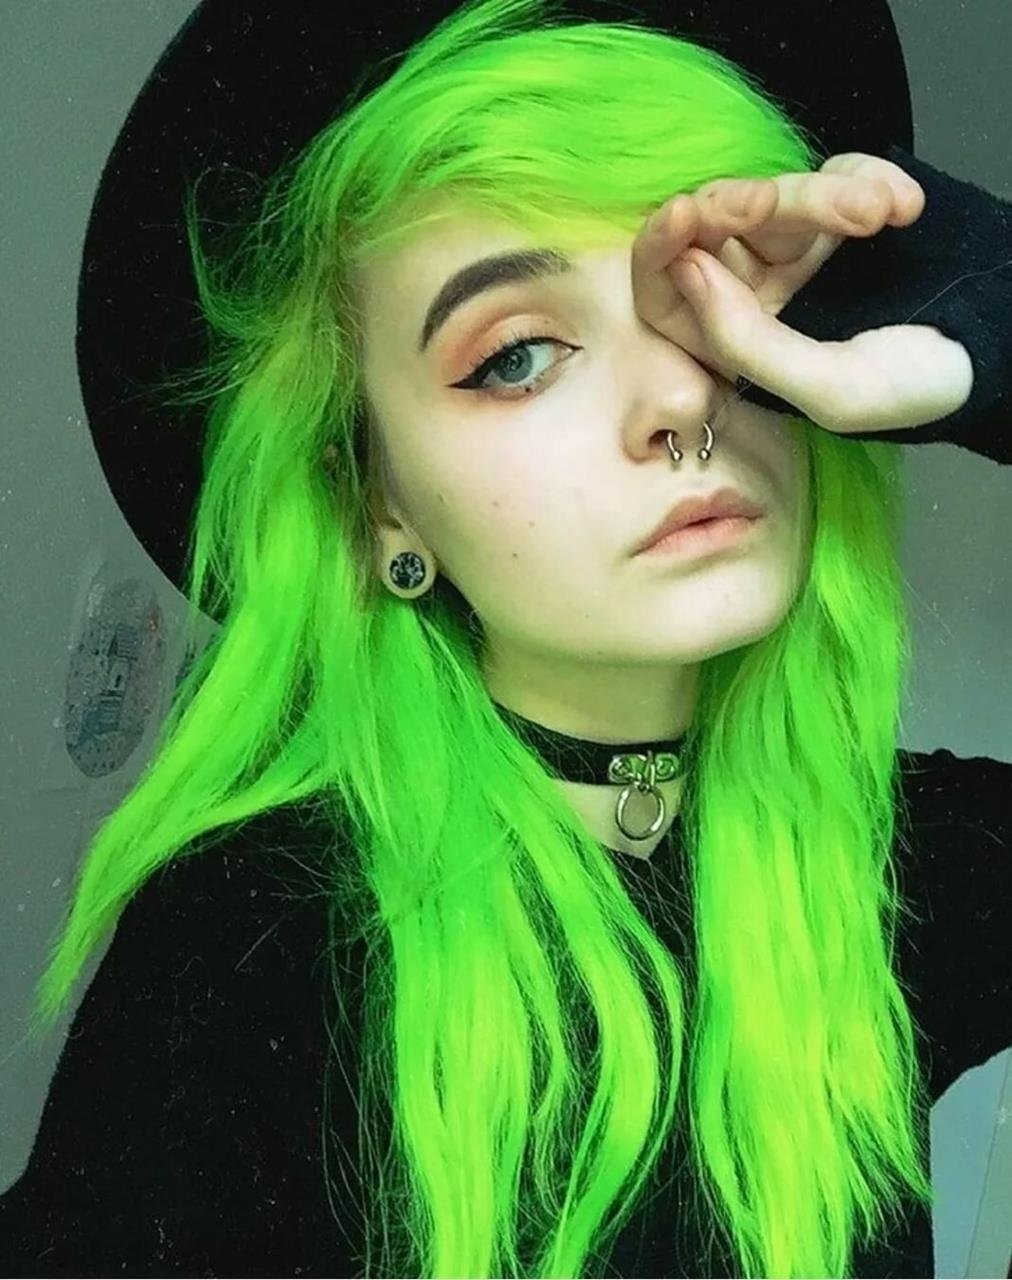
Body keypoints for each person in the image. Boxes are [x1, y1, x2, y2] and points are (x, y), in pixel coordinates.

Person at [1, 0, 1009, 1275]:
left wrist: (982, 307)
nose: (681, 394)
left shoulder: (900, 869)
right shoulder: (251, 944)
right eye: (520, 355)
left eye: (717, 303)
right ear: (378, 506)